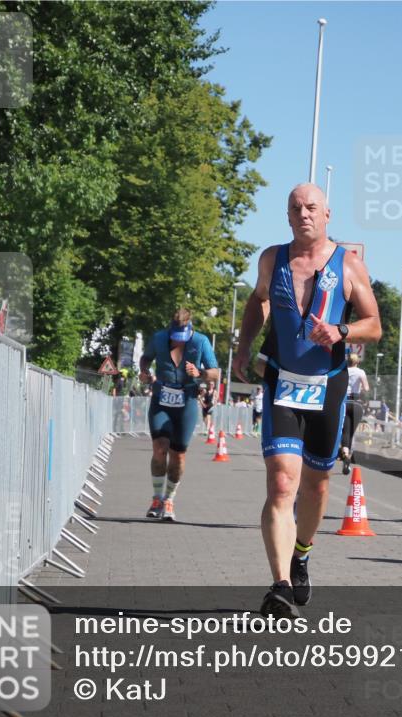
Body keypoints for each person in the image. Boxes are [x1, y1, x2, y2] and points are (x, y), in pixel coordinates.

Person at [233, 183, 382, 618]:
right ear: (287, 215)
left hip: (327, 384)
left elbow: (374, 324)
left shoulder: (348, 264)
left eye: (312, 207)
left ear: (327, 214)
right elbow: (258, 301)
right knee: (282, 483)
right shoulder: (271, 259)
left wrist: (341, 331)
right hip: (282, 381)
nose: (304, 214)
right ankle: (280, 585)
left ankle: (301, 553)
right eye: (296, 207)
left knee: (316, 485)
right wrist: (244, 346)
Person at [140, 308, 220, 522]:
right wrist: (145, 372)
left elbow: (215, 372)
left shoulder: (201, 342)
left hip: (187, 402)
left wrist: (200, 373)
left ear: (190, 329)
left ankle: (169, 499)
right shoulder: (159, 338)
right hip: (161, 400)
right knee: (160, 449)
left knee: (178, 455)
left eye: (182, 338)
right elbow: (145, 358)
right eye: (175, 337)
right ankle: (157, 498)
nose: (178, 342)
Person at [339, 352, 370, 474]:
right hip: (356, 402)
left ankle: (345, 454)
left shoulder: (343, 371)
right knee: (351, 432)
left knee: (345, 432)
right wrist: (361, 389)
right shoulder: (360, 372)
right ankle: (349, 457)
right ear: (357, 362)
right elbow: (366, 388)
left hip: (344, 401)